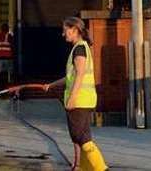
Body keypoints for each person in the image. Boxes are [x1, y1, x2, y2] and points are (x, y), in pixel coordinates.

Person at [42, 17, 107, 171]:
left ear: (75, 30)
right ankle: (86, 169)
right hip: (84, 100)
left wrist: (72, 98)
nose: (63, 34)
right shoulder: (80, 48)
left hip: (79, 101)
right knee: (82, 137)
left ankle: (101, 168)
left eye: (65, 31)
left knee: (82, 138)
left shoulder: (79, 48)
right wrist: (51, 85)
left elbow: (80, 75)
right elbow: (71, 76)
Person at [0, 22, 14, 92]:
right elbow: (13, 46)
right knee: (9, 73)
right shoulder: (9, 36)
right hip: (8, 58)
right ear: (7, 29)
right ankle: (9, 87)